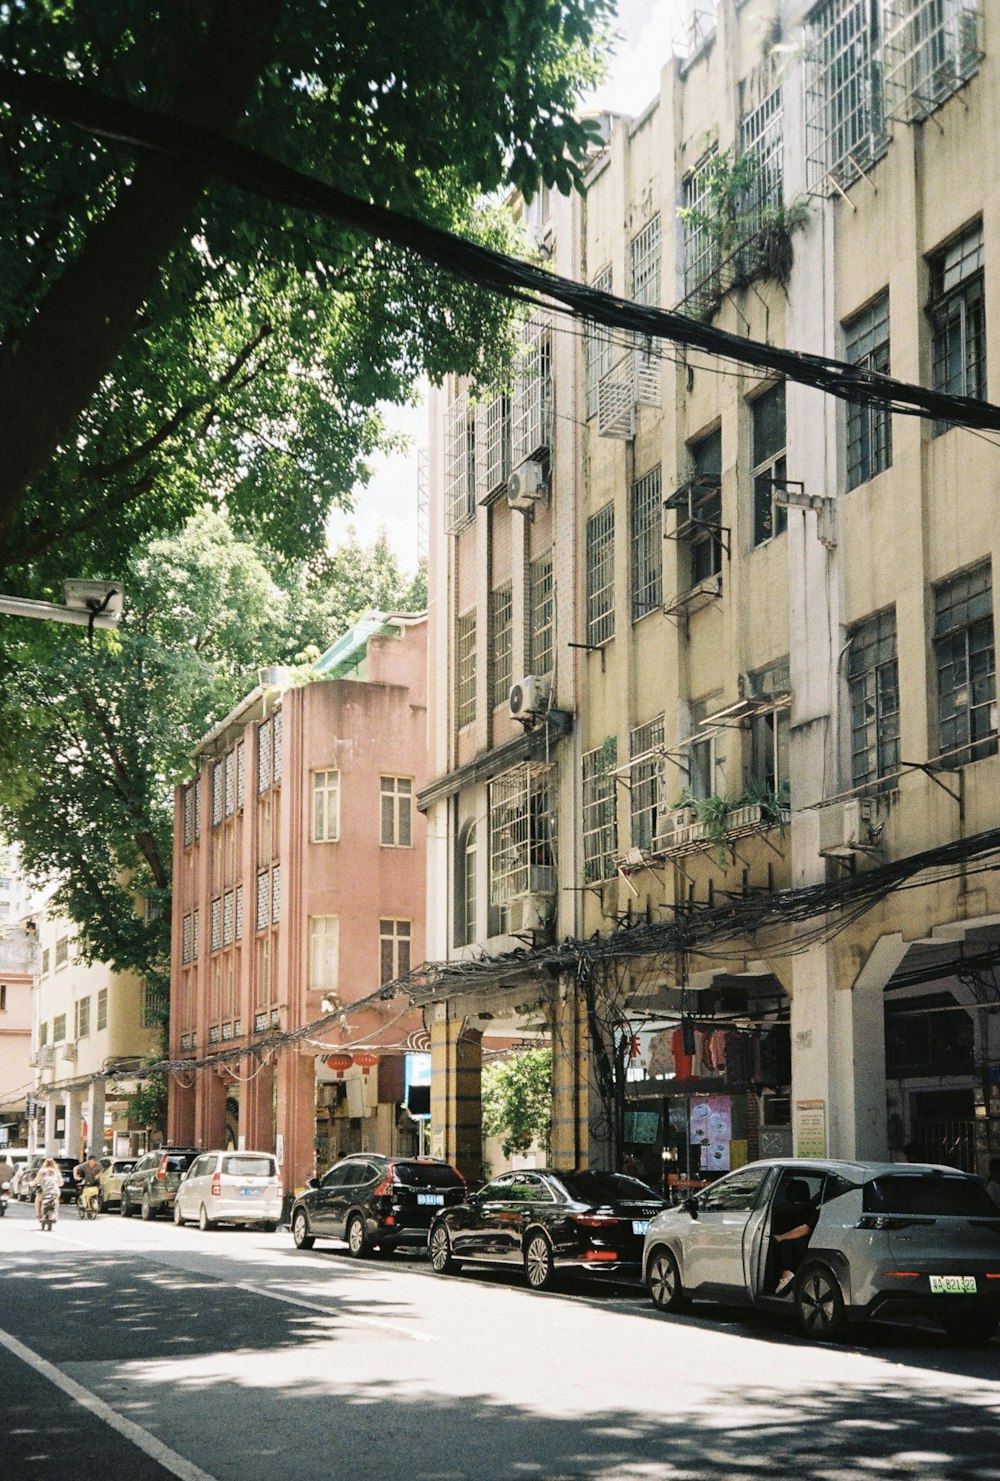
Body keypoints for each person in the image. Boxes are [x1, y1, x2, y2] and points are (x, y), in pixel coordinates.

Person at [772, 1177, 819, 1296]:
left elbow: (805, 1229)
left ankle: (786, 1275)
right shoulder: (814, 1210)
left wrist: (780, 1238)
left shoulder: (781, 1212)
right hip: (810, 1249)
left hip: (793, 1249)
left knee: (784, 1245)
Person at [32, 1157, 63, 1225]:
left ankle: (38, 1215)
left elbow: (36, 1180)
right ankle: (55, 1215)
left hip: (45, 1191)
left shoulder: (42, 1170)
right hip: (55, 1191)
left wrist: (31, 1184)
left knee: (37, 1200)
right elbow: (61, 1183)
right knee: (56, 1200)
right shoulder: (56, 1171)